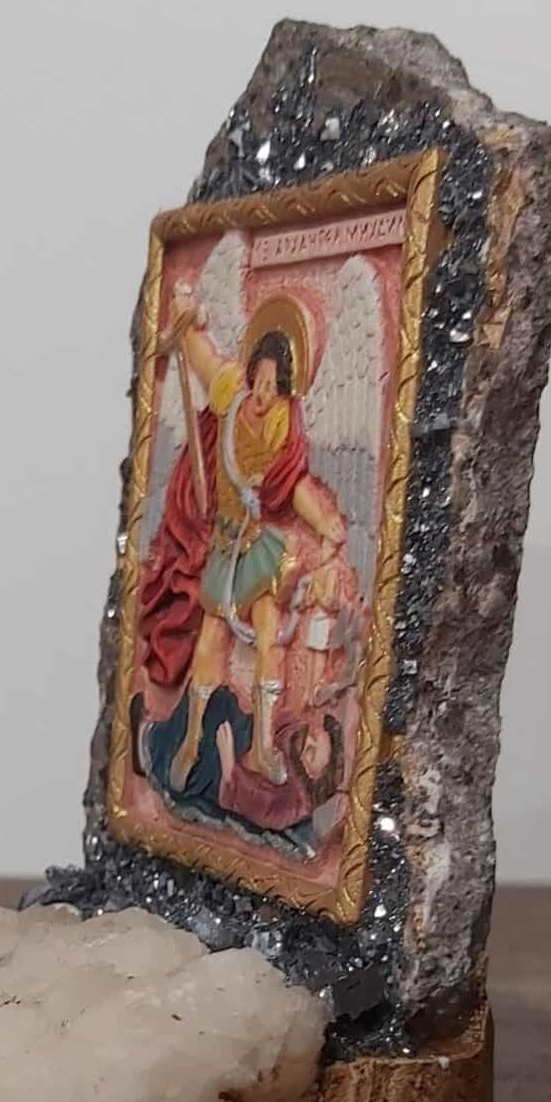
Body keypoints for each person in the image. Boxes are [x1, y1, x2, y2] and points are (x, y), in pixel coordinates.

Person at [140, 289, 345, 786]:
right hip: (223, 544)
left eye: (275, 387)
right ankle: (191, 739)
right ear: (251, 371)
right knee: (210, 640)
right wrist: (186, 325)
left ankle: (263, 747)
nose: (264, 393)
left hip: (258, 546)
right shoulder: (231, 390)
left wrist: (324, 523)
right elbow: (204, 362)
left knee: (271, 639)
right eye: (261, 380)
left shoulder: (283, 425)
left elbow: (292, 485)